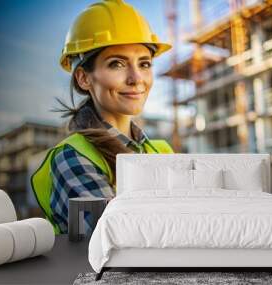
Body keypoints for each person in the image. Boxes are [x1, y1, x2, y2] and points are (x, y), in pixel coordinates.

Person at [31, 0, 174, 235]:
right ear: (83, 78)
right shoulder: (73, 157)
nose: (136, 78)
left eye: (144, 63)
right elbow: (122, 240)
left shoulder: (161, 151)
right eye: (116, 64)